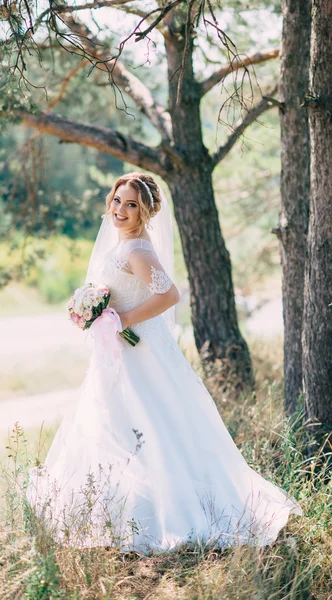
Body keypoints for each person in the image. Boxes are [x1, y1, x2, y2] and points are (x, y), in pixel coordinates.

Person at [26, 171, 302, 554]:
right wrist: (94, 309)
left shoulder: (138, 250)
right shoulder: (121, 245)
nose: (121, 209)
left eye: (131, 204)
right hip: (119, 350)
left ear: (145, 212)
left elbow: (169, 295)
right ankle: (114, 500)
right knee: (114, 422)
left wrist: (121, 319)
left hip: (140, 351)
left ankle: (169, 508)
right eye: (117, 200)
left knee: (151, 423)